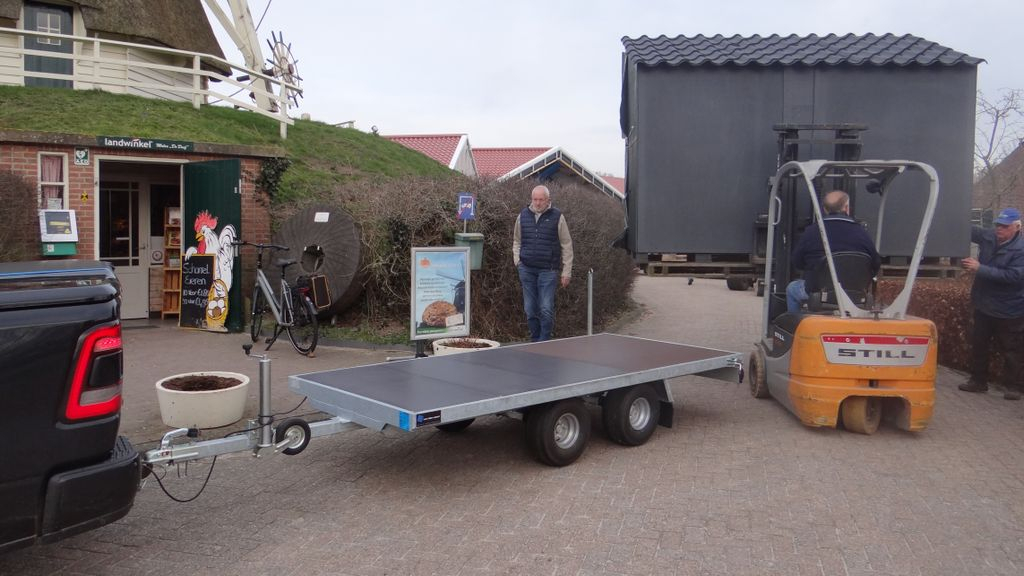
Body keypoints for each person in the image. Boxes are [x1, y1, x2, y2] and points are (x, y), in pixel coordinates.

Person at [957, 207, 1024, 400]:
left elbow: (1013, 276)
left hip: (1009, 309)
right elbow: (967, 229)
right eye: (998, 225)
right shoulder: (989, 237)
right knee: (979, 344)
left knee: (1011, 350)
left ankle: (1013, 387)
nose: (999, 229)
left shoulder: (1021, 250)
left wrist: (980, 268)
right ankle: (978, 381)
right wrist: (952, 213)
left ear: (1017, 227)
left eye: (1005, 226)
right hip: (984, 305)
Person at [786, 190, 880, 313]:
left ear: (825, 209)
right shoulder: (862, 233)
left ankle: (796, 322)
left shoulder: (812, 232)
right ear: (846, 208)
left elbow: (797, 262)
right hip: (855, 294)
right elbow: (875, 264)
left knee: (792, 288)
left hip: (820, 294)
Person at [513, 185, 573, 342]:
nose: (538, 203)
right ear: (531, 199)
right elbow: (517, 240)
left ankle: (544, 341)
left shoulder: (558, 217)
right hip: (526, 269)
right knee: (530, 309)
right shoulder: (522, 216)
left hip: (548, 270)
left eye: (541, 199)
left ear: (548, 200)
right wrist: (517, 261)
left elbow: (566, 244)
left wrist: (566, 271)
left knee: (546, 308)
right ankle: (535, 340)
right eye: (535, 199)